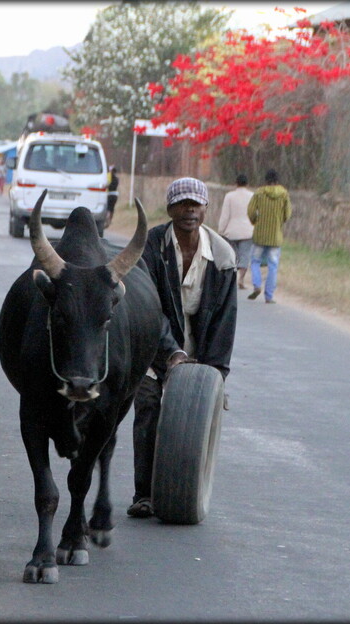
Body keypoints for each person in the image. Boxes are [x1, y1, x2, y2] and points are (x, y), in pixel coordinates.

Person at [128, 177, 238, 519]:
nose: (189, 210)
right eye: (181, 204)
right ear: (170, 209)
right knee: (148, 406)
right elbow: (149, 307)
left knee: (194, 419)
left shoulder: (222, 256)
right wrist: (171, 352)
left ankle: (184, 489)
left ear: (205, 209)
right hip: (153, 343)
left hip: (199, 349)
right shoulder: (150, 247)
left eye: (195, 204)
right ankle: (144, 494)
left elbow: (224, 321)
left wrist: (215, 374)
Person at [247, 168, 292, 304]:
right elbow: (287, 214)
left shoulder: (259, 193)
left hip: (260, 234)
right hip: (275, 236)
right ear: (277, 180)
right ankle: (269, 296)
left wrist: (255, 221)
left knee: (255, 261)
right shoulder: (284, 194)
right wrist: (279, 222)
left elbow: (250, 211)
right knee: (273, 266)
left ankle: (257, 285)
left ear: (266, 180)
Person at [217, 173, 255, 289]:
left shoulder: (229, 196)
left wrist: (221, 230)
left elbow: (225, 215)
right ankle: (241, 278)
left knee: (232, 256)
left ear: (236, 183)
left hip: (231, 231)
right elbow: (255, 214)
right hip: (248, 231)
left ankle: (231, 279)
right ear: (247, 184)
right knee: (245, 256)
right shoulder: (252, 196)